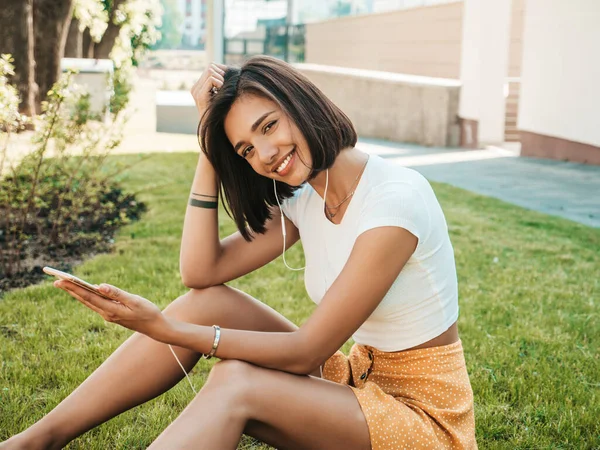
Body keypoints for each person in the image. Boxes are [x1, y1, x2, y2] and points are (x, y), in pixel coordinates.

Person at [1, 56, 477, 450]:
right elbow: (200, 272)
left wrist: (166, 329)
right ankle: (36, 441)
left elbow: (305, 351)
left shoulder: (394, 201)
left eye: (269, 126)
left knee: (236, 382)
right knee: (208, 302)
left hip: (424, 419)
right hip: (354, 380)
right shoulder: (310, 195)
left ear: (299, 102)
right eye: (247, 149)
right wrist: (211, 143)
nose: (266, 153)